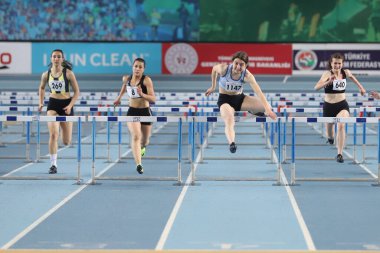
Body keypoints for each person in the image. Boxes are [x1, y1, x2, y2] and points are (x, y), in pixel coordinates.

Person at [205, 51, 277, 153]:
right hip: (225, 100)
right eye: (236, 63)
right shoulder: (224, 69)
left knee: (266, 106)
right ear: (232, 62)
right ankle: (232, 143)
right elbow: (213, 69)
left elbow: (259, 92)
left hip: (240, 99)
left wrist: (268, 110)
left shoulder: (247, 75)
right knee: (229, 120)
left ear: (246, 66)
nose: (238, 67)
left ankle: (253, 110)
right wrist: (213, 87)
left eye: (241, 64)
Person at [314, 53, 366, 163]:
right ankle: (331, 138)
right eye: (335, 63)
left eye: (339, 63)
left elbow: (353, 78)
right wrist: (328, 81)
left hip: (342, 105)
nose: (337, 65)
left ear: (342, 64)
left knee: (341, 124)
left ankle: (339, 154)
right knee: (330, 134)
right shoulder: (326, 73)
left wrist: (361, 88)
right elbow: (316, 88)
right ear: (331, 64)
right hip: (328, 106)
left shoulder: (345, 72)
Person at [38, 49, 80, 174]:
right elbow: (41, 88)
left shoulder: (69, 74)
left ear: (62, 59)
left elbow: (77, 92)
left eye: (59, 57)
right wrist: (41, 102)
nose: (56, 59)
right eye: (54, 56)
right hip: (53, 105)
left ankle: (63, 129)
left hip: (66, 105)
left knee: (66, 141)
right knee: (53, 135)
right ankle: (53, 164)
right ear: (51, 58)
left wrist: (70, 106)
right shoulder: (46, 74)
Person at [113, 58, 156, 174]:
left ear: (143, 69)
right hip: (132, 111)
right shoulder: (126, 78)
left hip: (145, 112)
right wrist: (119, 98)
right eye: (136, 66)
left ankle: (142, 147)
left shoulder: (146, 80)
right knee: (136, 136)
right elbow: (124, 87)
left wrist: (142, 94)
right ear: (132, 67)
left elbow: (153, 99)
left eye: (140, 67)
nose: (137, 69)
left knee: (145, 141)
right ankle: (139, 164)